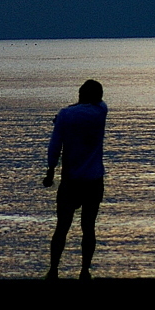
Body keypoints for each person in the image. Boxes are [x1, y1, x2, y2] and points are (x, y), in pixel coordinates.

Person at [43, 79, 107, 281]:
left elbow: (55, 146)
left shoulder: (65, 115)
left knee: (62, 227)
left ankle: (54, 270)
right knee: (88, 227)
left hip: (70, 180)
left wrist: (50, 170)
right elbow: (90, 105)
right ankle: (85, 271)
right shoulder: (101, 112)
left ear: (80, 95)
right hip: (94, 179)